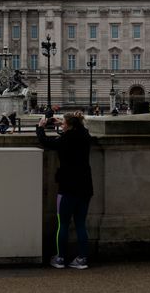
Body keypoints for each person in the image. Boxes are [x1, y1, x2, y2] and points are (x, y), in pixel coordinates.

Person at [36, 111, 94, 270]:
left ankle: (60, 258)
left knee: (63, 224)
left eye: (63, 123)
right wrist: (62, 123)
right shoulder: (84, 137)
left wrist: (40, 127)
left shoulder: (65, 139)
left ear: (68, 125)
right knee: (81, 224)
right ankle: (82, 259)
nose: (61, 124)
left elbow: (45, 141)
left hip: (67, 186)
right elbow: (84, 130)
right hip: (85, 186)